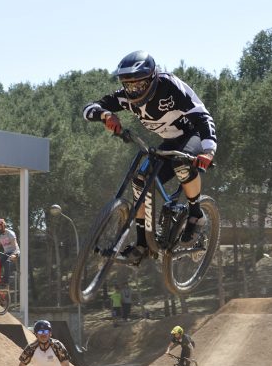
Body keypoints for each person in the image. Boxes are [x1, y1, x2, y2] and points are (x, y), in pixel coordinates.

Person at [83, 50, 217, 265]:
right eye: (128, 85)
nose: (133, 90)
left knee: (181, 165)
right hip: (168, 142)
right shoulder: (125, 96)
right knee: (140, 181)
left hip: (193, 136)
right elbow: (89, 109)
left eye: (139, 84)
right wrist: (105, 115)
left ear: (152, 78)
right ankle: (143, 244)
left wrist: (208, 150)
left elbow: (202, 117)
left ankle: (196, 213)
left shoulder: (170, 87)